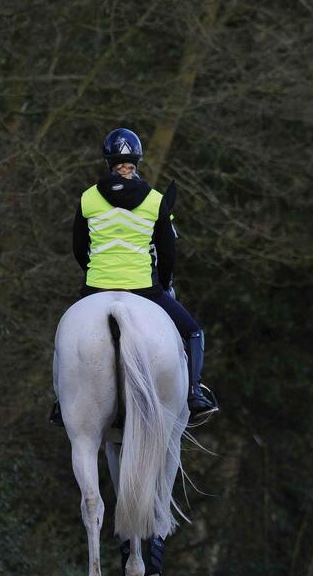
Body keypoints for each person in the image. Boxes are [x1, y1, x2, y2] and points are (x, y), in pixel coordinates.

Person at [50, 127, 219, 424]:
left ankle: (61, 402)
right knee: (193, 330)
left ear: (108, 161)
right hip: (143, 288)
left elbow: (78, 247)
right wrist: (163, 284)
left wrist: (94, 273)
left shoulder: (88, 198)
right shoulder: (155, 200)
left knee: (66, 334)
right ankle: (194, 392)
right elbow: (167, 254)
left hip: (96, 286)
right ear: (137, 162)